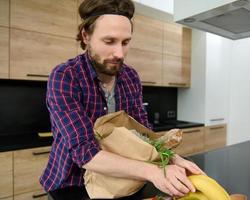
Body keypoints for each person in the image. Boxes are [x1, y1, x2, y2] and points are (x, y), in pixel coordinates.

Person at [40, 0, 204, 199]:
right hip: (73, 186)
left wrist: (172, 159)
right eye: (109, 41)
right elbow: (84, 153)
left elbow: (142, 133)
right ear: (86, 36)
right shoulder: (65, 76)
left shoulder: (130, 77)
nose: (119, 53)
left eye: (125, 42)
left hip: (122, 183)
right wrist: (153, 171)